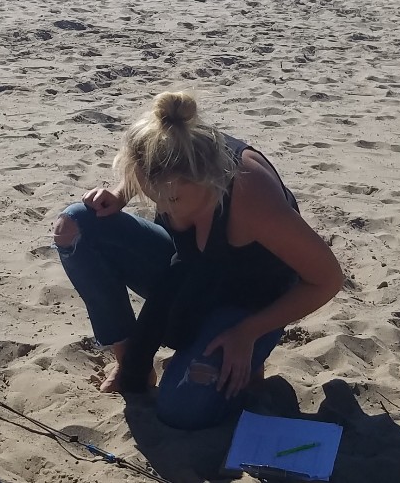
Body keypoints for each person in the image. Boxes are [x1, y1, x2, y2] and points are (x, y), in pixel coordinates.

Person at [52, 91, 343, 430]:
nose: (161, 206)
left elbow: (327, 279)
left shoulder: (251, 197)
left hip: (252, 299)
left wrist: (247, 333)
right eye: (151, 193)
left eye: (171, 198)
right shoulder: (174, 145)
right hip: (188, 271)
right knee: (77, 225)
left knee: (181, 410)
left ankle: (249, 362)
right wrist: (119, 193)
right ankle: (130, 359)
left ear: (206, 177)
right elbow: (146, 164)